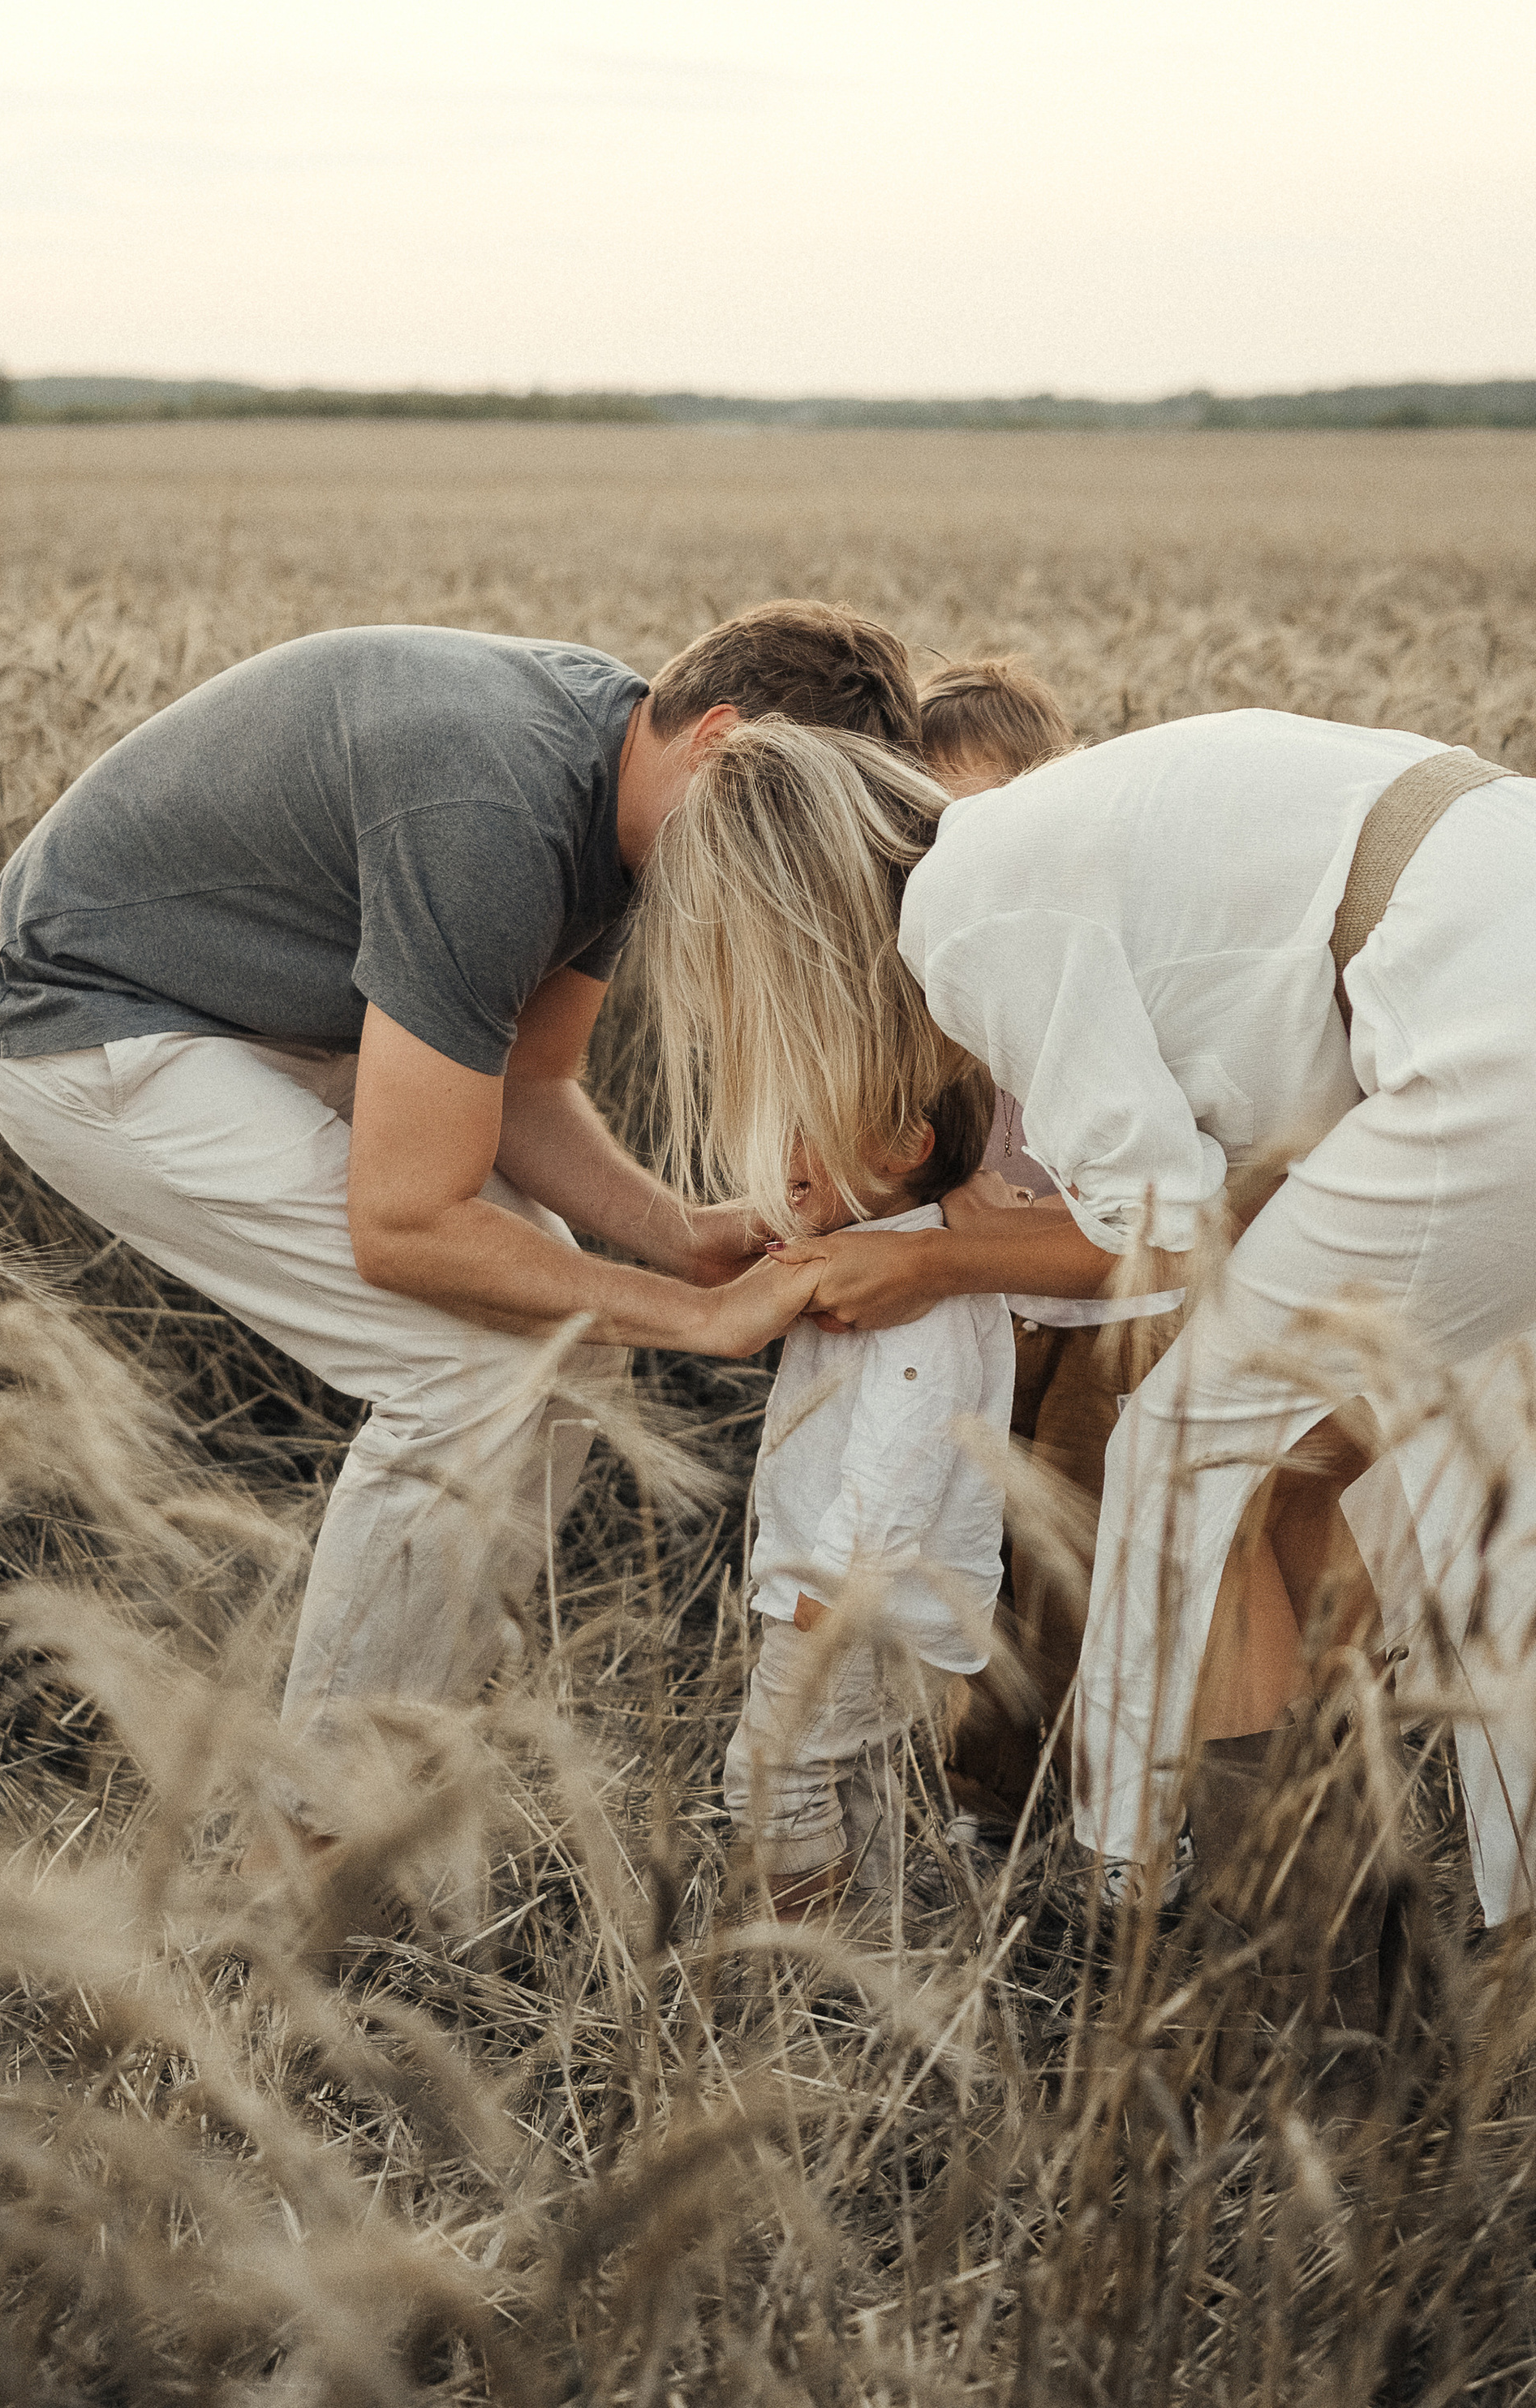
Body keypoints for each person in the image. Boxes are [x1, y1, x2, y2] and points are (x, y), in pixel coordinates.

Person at [639, 700, 1536, 1944]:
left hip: (1482, 1031)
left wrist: (932, 1260)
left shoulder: (964, 910)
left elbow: (1168, 1228)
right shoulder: (1029, 840)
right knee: (1477, 1507)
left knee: (1182, 1450)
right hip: (1491, 940)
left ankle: (1171, 1917)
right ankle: (1422, 1966)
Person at [0, 604, 910, 1784]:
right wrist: (699, 1317)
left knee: (574, 1352)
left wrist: (679, 1236)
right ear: (719, 742)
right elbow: (405, 1224)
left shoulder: (633, 804)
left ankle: (414, 1749)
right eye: (779, 829)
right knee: (461, 1365)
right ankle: (319, 1832)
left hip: (269, 1017)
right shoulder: (497, 806)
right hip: (94, 1024)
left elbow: (524, 1077)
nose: (778, 883)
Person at [914, 661, 1185, 1817]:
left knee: (1081, 1568)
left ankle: (1099, 1804)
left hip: (1117, 1324)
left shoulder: (1128, 950)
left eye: (994, 812)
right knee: (960, 1547)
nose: (968, 848)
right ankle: (978, 1792)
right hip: (978, 1307)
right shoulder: (932, 958)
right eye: (936, 823)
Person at [725, 1065, 1011, 1921]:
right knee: (854, 1781)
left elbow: (901, 1461)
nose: (780, 1151)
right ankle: (880, 1960)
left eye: (807, 1127)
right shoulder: (872, 1262)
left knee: (772, 1780)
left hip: (856, 1596)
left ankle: (800, 1983)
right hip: (861, 1593)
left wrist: (830, 1595)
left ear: (902, 1149)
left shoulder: (915, 1299)